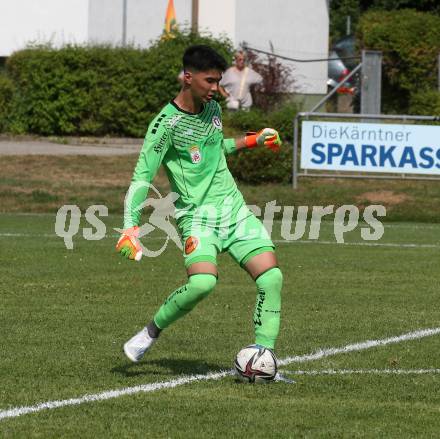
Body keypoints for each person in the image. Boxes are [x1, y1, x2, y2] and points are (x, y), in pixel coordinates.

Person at [116, 45, 283, 365]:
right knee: (203, 283)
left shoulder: (213, 110)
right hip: (198, 218)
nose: (215, 89)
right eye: (209, 81)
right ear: (188, 78)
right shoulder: (165, 125)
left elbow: (214, 148)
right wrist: (130, 227)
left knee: (271, 278)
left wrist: (253, 139)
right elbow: (141, 177)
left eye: (218, 81)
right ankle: (151, 331)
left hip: (234, 211)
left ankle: (263, 359)